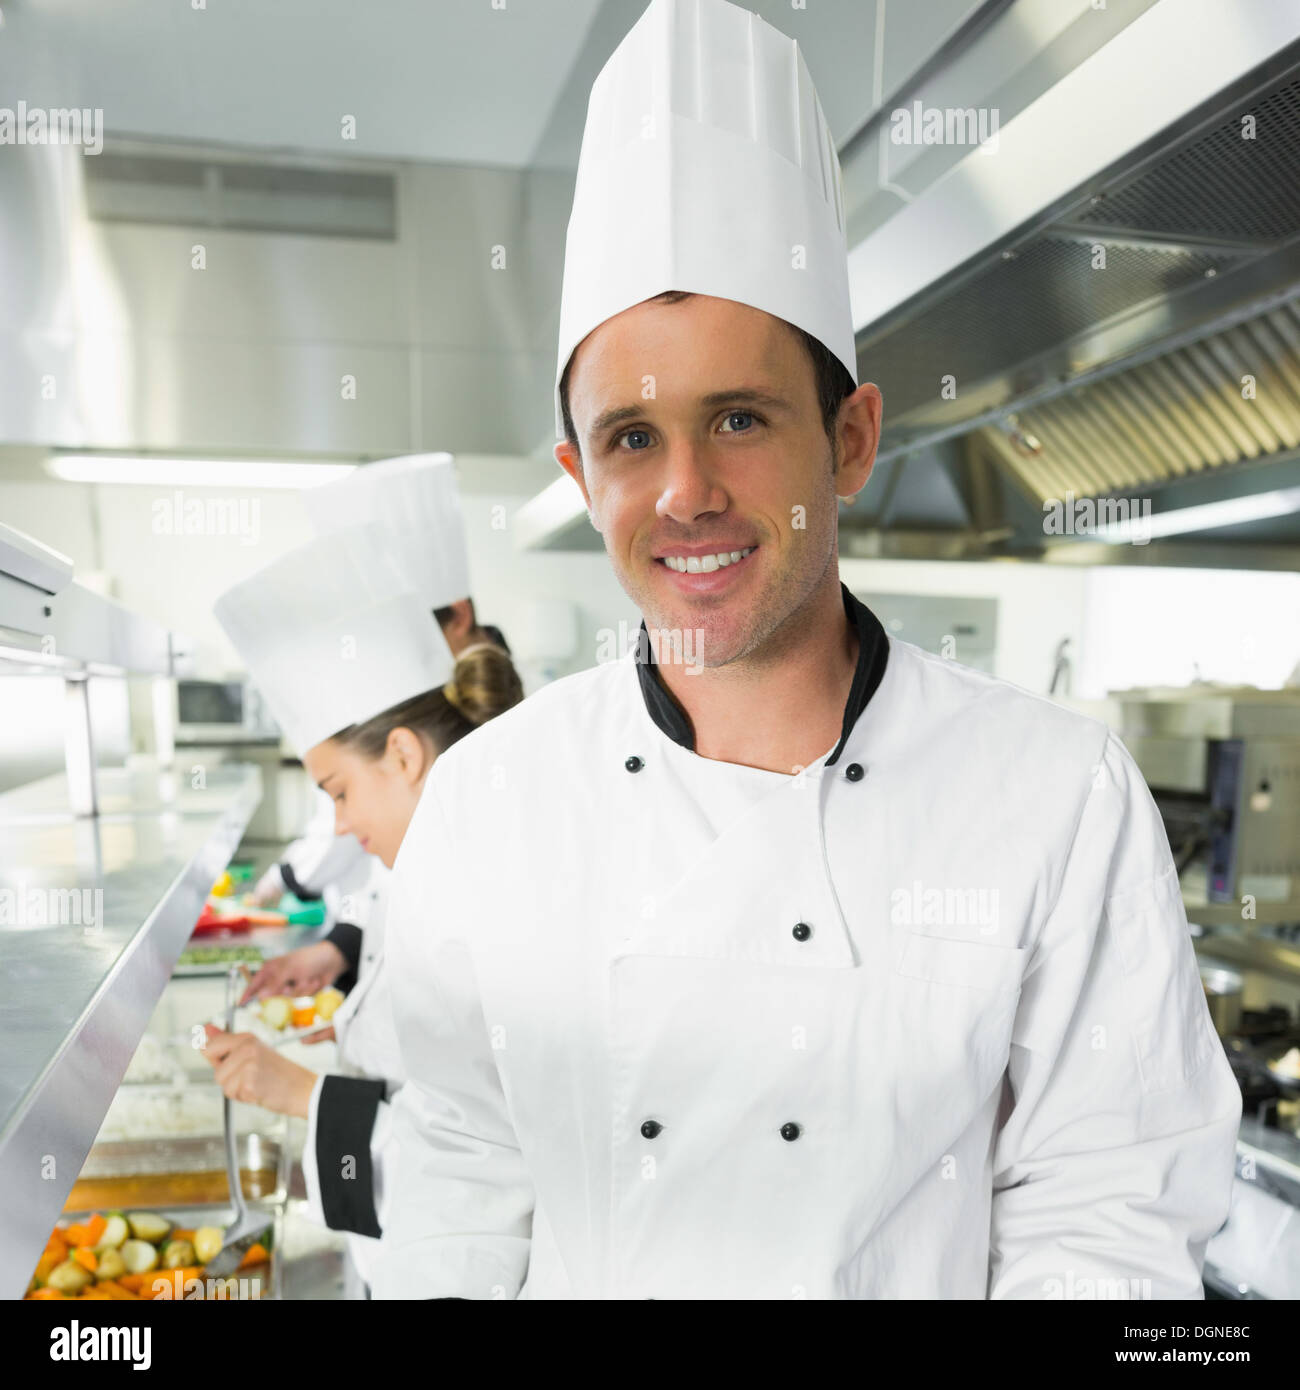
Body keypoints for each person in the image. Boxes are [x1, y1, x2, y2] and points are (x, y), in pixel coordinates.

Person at [371, 0, 1240, 1301]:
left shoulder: (1058, 794)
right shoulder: (490, 809)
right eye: (630, 439)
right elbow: (442, 1186)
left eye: (738, 416)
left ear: (848, 439)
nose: (685, 494)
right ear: (578, 470)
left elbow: (1112, 1211)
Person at [202, 522, 523, 1294]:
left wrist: (298, 1092)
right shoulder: (425, 862)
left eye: (339, 792)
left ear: (404, 756)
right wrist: (337, 956)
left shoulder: (499, 903)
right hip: (398, 1252)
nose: (339, 824)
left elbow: (492, 1165)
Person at [239, 453, 510, 1007]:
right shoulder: (404, 773)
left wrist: (315, 1096)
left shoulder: (511, 751)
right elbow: (398, 877)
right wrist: (341, 947)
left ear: (456, 618)